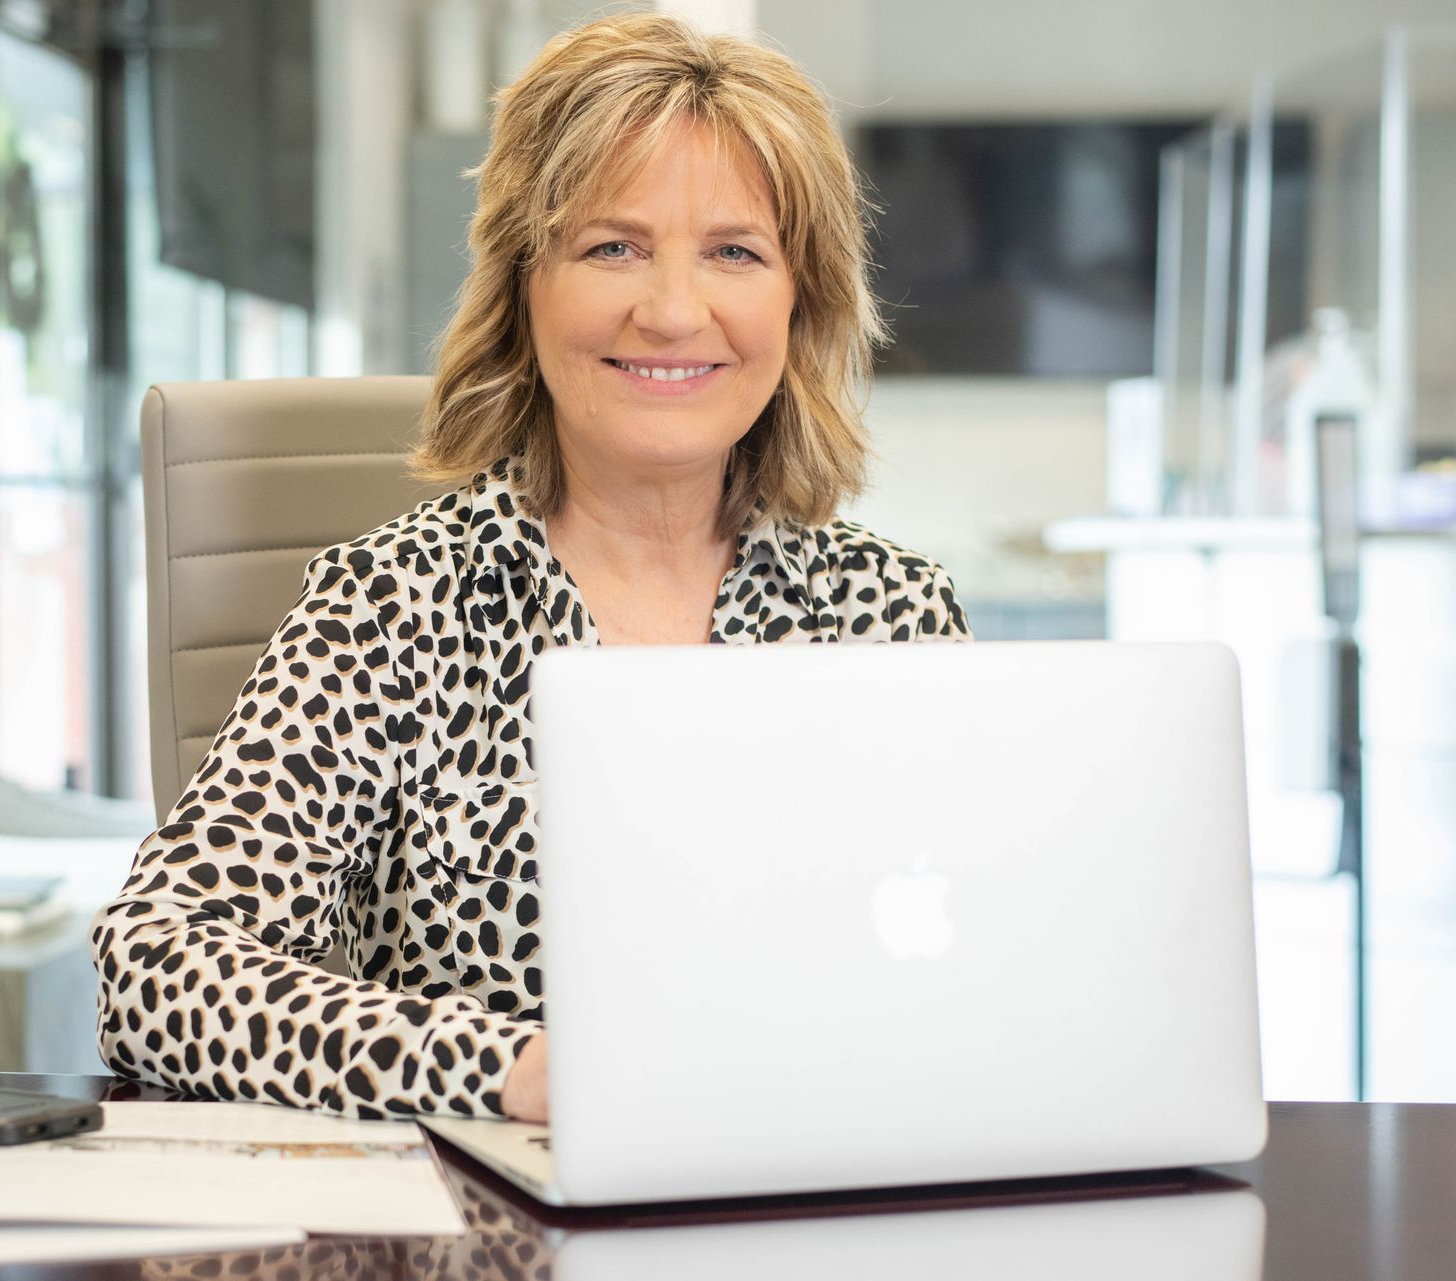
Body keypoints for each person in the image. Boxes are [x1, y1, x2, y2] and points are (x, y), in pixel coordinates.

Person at [92, 11, 971, 1123]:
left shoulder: (892, 616)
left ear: (802, 305)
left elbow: (985, 959)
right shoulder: (394, 608)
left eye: (735, 252)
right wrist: (516, 1073)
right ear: (525, 285)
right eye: (612, 246)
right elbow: (158, 968)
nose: (670, 311)